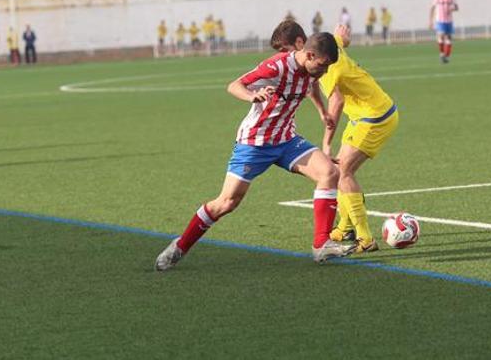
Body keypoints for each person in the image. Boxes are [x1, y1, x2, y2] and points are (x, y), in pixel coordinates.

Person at [155, 23, 355, 271]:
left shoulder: (312, 70)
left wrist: (322, 110)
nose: (324, 72)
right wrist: (253, 96)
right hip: (255, 142)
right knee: (227, 202)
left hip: (286, 140)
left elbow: (310, 83)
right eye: (322, 65)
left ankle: (321, 245)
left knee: (329, 173)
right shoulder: (277, 65)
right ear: (310, 55)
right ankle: (180, 246)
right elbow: (234, 85)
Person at [274, 23, 399, 253]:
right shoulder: (326, 46)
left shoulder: (327, 66)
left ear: (301, 44)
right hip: (364, 115)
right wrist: (341, 37)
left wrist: (326, 143)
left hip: (374, 117)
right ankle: (345, 227)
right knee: (339, 172)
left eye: (286, 49)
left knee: (341, 172)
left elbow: (337, 101)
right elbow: (341, 40)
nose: (285, 56)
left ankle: (365, 238)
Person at [429, 0, 458, 64]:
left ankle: (447, 57)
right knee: (441, 36)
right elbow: (432, 8)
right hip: (440, 20)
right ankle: (442, 54)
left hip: (449, 21)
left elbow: (456, 7)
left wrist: (452, 8)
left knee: (449, 38)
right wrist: (430, 21)